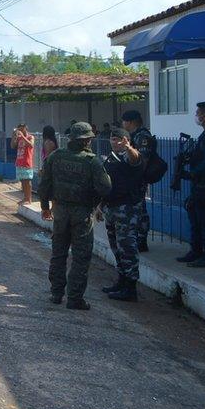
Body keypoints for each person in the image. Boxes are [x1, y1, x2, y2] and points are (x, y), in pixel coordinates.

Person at [39, 122, 111, 310]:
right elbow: (106, 187)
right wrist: (94, 202)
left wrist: (45, 207)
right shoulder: (92, 161)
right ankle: (74, 298)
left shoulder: (55, 157)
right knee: (81, 256)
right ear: (87, 140)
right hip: (82, 213)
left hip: (60, 211)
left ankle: (56, 293)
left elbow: (44, 183)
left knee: (58, 253)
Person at [99, 128, 145, 302]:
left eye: (118, 139)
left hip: (127, 209)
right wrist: (100, 206)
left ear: (126, 140)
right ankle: (121, 280)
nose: (115, 142)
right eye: (112, 139)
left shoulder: (130, 155)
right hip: (111, 207)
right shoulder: (110, 158)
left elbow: (136, 160)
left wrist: (128, 147)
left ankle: (131, 287)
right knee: (116, 247)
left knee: (127, 247)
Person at [179, 101, 205, 267]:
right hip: (199, 186)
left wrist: (193, 172)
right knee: (196, 218)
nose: (197, 116)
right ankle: (196, 250)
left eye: (198, 113)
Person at [122, 110, 154, 253]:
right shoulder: (134, 135)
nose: (123, 124)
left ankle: (142, 239)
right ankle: (136, 237)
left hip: (138, 179)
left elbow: (143, 160)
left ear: (131, 122)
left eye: (124, 121)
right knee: (135, 208)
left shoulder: (143, 136)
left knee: (140, 209)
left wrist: (135, 177)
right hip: (132, 178)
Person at [11, 123, 36, 204]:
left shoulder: (30, 137)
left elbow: (31, 145)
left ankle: (29, 199)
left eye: (22, 129)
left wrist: (23, 136)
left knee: (27, 181)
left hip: (27, 162)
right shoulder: (19, 138)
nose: (21, 131)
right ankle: (25, 198)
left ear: (26, 128)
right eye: (19, 129)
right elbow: (12, 146)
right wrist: (13, 136)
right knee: (22, 180)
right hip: (19, 162)